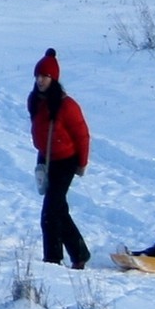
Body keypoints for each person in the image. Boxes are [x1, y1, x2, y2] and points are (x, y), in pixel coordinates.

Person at [27, 48, 91, 269]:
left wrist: (82, 163)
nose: (40, 80)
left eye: (45, 76)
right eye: (38, 76)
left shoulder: (66, 105)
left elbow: (82, 135)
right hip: (45, 159)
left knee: (50, 212)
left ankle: (52, 261)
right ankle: (79, 253)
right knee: (58, 209)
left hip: (66, 161)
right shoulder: (35, 100)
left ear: (53, 79)